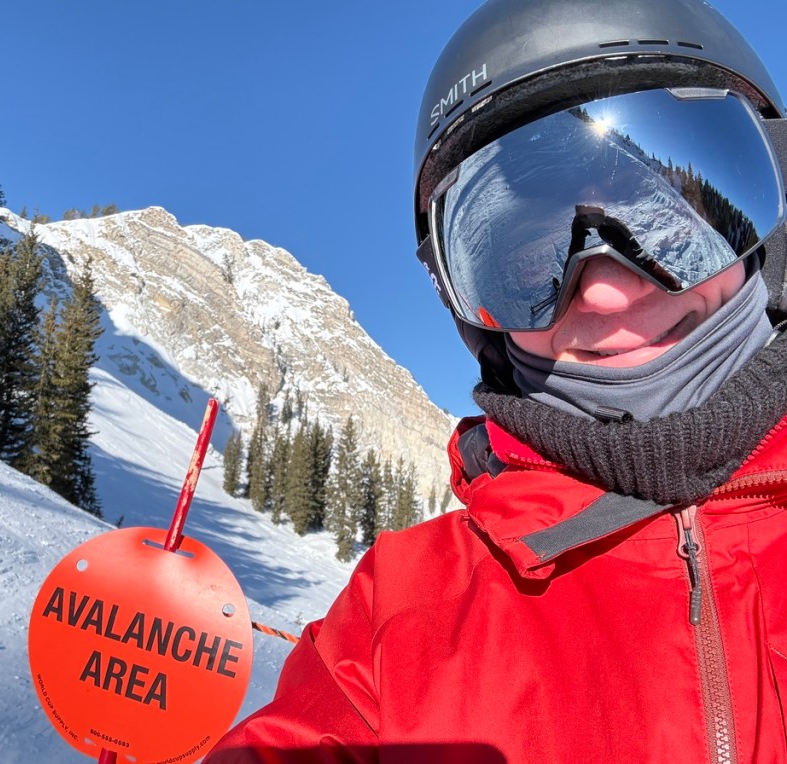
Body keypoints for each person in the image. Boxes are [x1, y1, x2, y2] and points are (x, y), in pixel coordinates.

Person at [206, 0, 787, 761]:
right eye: (528, 265)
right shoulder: (399, 620)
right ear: (478, 316)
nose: (607, 295)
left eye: (661, 225)